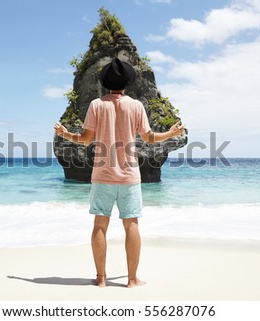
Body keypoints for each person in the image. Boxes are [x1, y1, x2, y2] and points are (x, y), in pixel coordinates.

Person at [54, 58, 185, 288]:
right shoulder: (136, 106)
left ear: (105, 83)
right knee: (131, 225)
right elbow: (149, 138)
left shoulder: (96, 105)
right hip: (129, 176)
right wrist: (170, 134)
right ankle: (132, 279)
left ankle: (101, 278)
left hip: (102, 176)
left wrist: (65, 134)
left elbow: (85, 140)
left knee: (99, 226)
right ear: (127, 83)